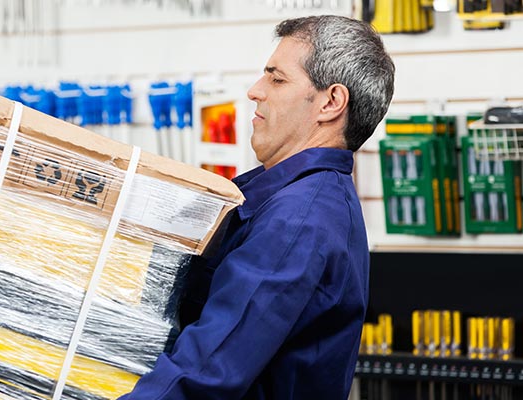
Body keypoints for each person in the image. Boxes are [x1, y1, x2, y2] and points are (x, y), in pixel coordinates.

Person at [119, 15, 394, 400]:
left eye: (276, 79)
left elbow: (207, 372)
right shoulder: (289, 198)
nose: (254, 91)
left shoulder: (298, 222)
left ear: (331, 102)